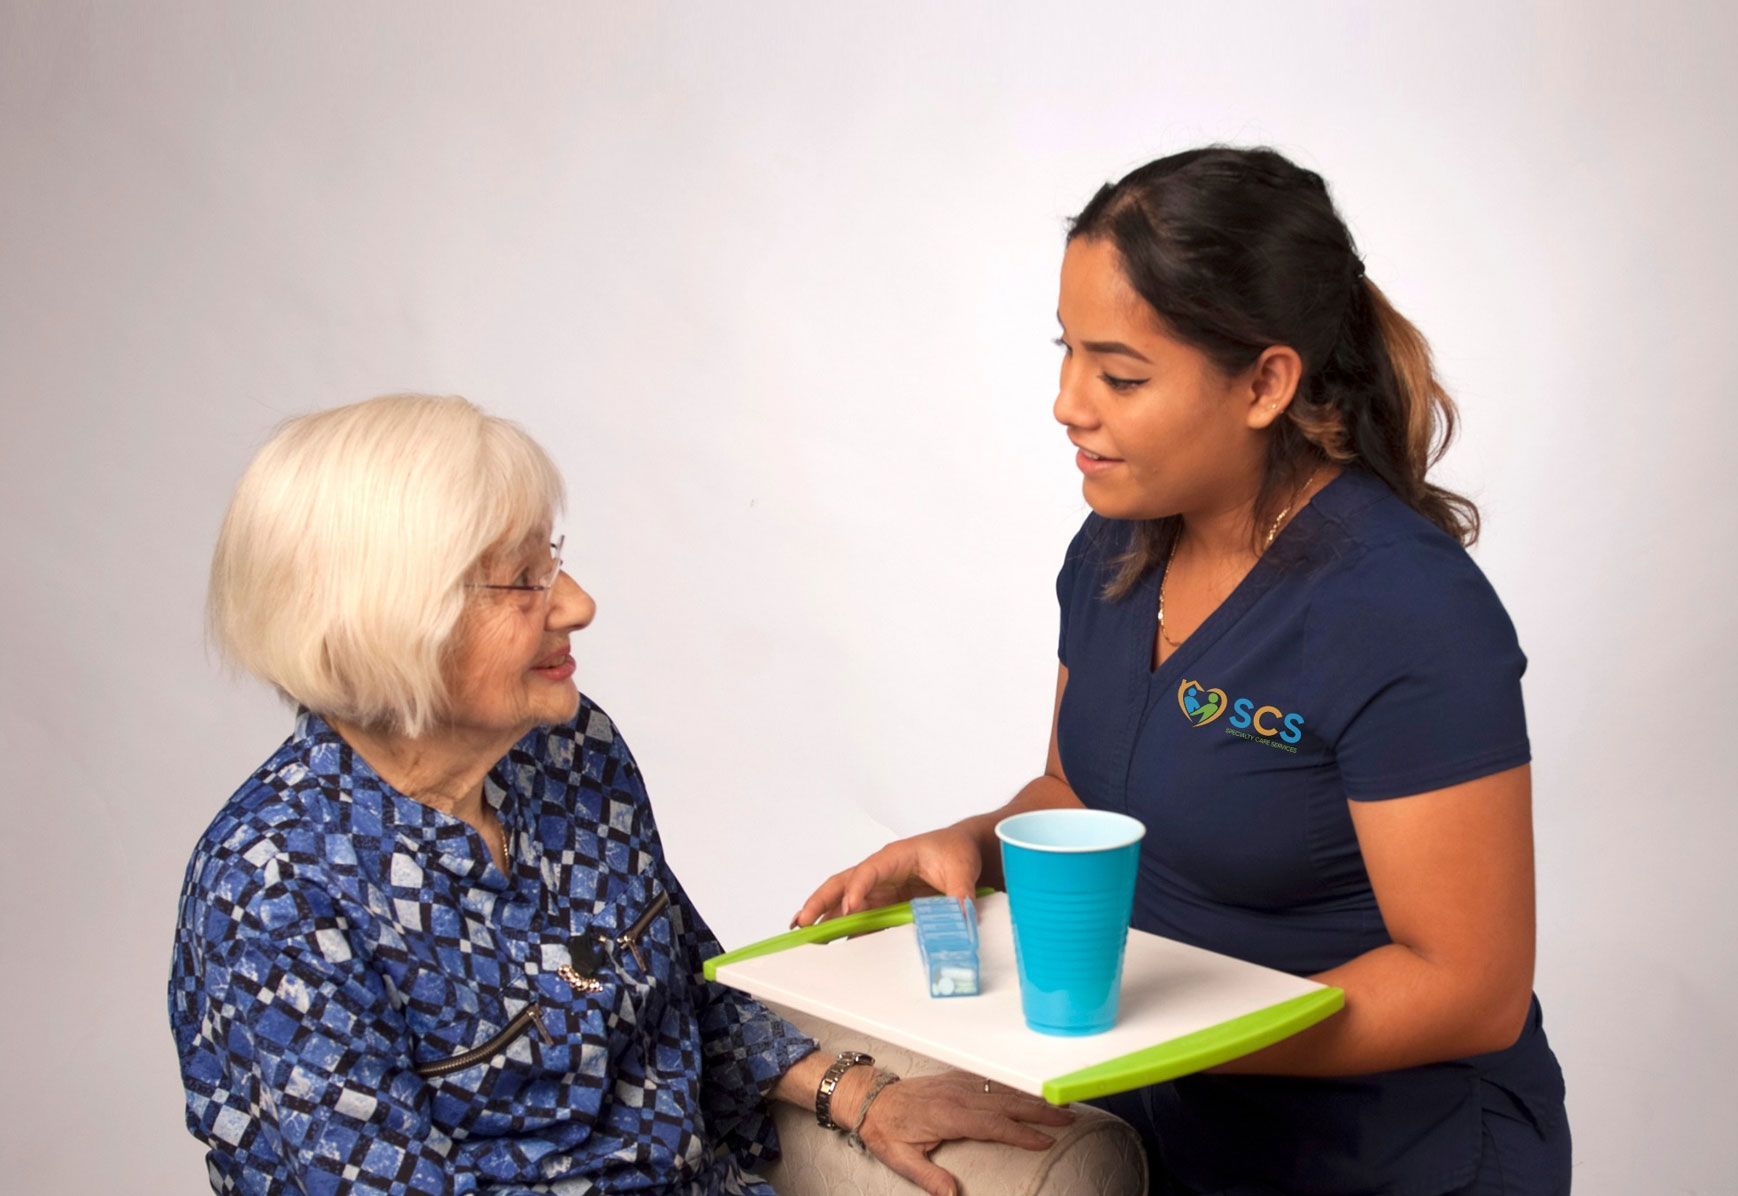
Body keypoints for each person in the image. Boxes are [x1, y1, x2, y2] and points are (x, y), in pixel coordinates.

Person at [795, 147, 1569, 1195]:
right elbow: (1079, 788)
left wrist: (1166, 1036)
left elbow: (1467, 986)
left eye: (1118, 373)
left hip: (1389, 1153)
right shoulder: (1116, 545)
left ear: (1265, 381)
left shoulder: (1402, 609)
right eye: (1065, 353)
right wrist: (969, 845)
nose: (1069, 402)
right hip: (1160, 1119)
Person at [169, 393, 1071, 1196]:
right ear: (387, 622)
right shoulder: (270, 891)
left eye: (552, 561)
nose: (577, 604)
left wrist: (857, 1093)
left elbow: (670, 981)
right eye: (523, 580)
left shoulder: (569, 750)